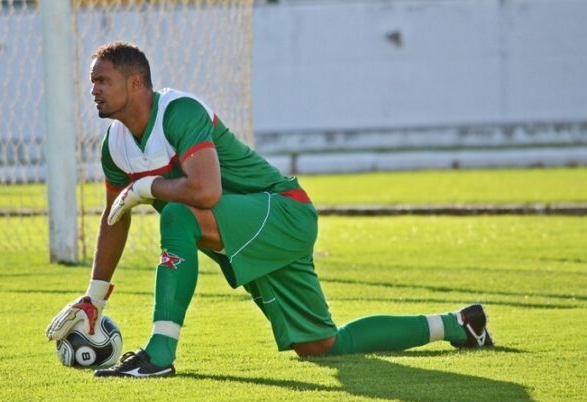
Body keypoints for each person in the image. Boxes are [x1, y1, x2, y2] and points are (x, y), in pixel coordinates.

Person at [46, 41, 494, 378]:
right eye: (92, 83)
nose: (94, 91)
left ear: (135, 82)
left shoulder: (180, 112)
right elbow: (114, 219)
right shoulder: (115, 146)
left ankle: (160, 355)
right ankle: (458, 326)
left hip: (283, 212)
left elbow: (205, 192)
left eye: (101, 81)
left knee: (177, 214)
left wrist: (147, 186)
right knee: (321, 345)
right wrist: (95, 298)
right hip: (249, 230)